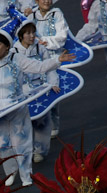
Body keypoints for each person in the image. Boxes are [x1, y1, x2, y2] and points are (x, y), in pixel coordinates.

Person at [0, 18, 73, 186]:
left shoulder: (17, 59)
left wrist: (58, 60)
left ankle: (25, 175)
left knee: (21, 142)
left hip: (16, 107)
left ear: (7, 46)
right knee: (1, 145)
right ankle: (10, 171)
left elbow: (40, 67)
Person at [12, 19, 59, 164]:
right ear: (20, 36)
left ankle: (39, 150)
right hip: (23, 92)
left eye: (33, 32)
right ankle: (25, 151)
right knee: (23, 123)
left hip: (41, 87)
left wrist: (52, 84)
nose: (32, 36)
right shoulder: (14, 52)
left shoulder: (40, 48)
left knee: (42, 121)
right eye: (28, 33)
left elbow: (49, 67)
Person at [26, 0, 69, 138]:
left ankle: (54, 122)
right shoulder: (30, 15)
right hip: (35, 59)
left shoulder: (57, 14)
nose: (46, 1)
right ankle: (39, 123)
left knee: (53, 89)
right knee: (34, 89)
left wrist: (45, 41)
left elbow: (61, 37)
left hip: (53, 58)